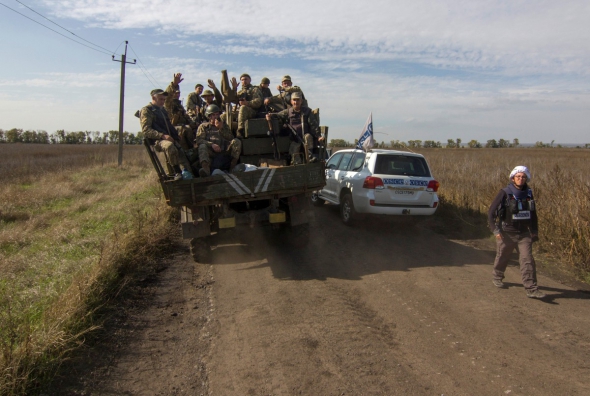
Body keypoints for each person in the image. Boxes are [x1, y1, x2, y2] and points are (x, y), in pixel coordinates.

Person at [488, 166, 545, 299]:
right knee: (503, 256)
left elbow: (533, 214)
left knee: (527, 260)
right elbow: (491, 212)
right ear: (513, 178)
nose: (520, 179)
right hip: (506, 233)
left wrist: (535, 231)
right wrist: (495, 230)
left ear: (526, 178)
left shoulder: (529, 193)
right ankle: (497, 276)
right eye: (518, 176)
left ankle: (531, 288)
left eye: (523, 177)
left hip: (524, 233)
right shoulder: (504, 192)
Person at [140, 88, 193, 180]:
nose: (163, 102)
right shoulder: (147, 110)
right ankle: (177, 172)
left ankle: (188, 175)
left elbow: (169, 125)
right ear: (153, 98)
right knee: (169, 146)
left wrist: (175, 135)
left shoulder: (162, 110)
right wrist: (162, 136)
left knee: (184, 159)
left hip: (169, 138)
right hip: (157, 140)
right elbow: (146, 130)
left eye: (164, 99)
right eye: (161, 99)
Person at [266, 92, 323, 165]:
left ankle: (310, 157)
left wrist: (318, 136)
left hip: (305, 135)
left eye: (298, 100)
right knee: (294, 155)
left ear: (301, 101)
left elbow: (313, 125)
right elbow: (278, 115)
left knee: (308, 137)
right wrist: (270, 115)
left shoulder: (307, 111)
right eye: (294, 100)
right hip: (294, 138)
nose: (296, 102)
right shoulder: (288, 111)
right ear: (291, 101)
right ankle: (297, 164)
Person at [196, 104, 241, 177]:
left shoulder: (223, 125)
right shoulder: (203, 127)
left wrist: (221, 128)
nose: (216, 117)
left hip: (224, 152)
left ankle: (232, 169)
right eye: (213, 115)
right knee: (202, 146)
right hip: (211, 153)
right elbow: (199, 140)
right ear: (209, 116)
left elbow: (230, 138)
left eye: (217, 114)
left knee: (237, 141)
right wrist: (212, 145)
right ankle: (206, 170)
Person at [235, 73, 263, 138]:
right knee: (224, 116)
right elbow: (230, 99)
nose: (244, 81)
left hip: (253, 112)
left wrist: (247, 103)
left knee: (243, 107)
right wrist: (234, 89)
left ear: (250, 80)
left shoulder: (254, 89)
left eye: (246, 79)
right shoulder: (240, 92)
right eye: (242, 80)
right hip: (240, 113)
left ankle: (240, 131)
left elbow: (259, 101)